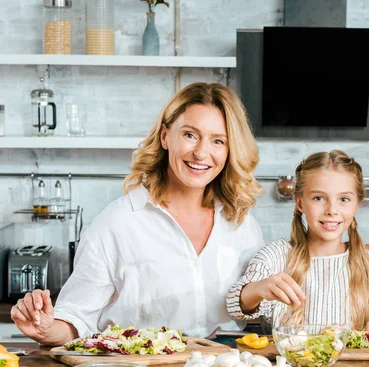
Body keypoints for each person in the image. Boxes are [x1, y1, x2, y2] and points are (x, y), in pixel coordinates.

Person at [11, 82, 265, 346]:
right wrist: (43, 327)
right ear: (166, 136)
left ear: (229, 150)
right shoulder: (117, 224)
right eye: (190, 135)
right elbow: (75, 317)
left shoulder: (242, 224)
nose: (201, 152)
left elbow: (251, 308)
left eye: (217, 141)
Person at [226, 151, 369, 330]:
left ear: (357, 205)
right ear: (300, 203)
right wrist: (259, 289)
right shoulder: (274, 257)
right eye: (318, 198)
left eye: (344, 199)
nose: (332, 210)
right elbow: (234, 307)